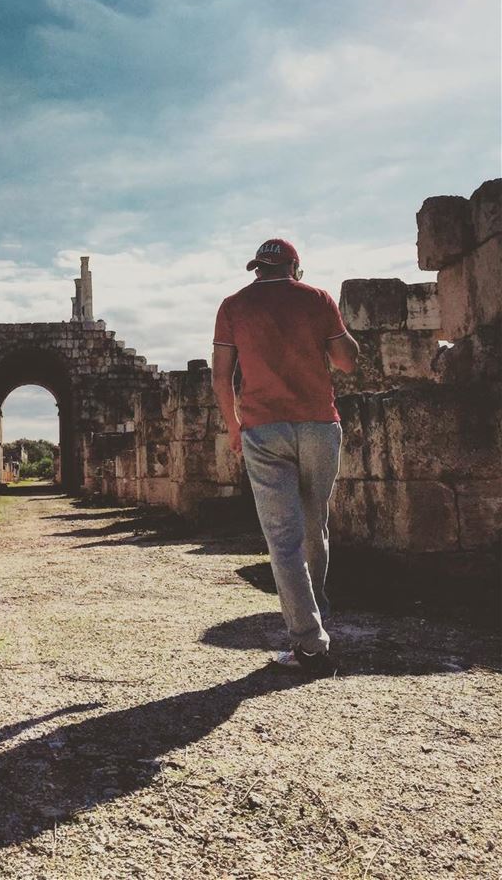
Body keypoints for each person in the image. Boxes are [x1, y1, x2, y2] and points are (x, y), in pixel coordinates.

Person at [211, 238, 359, 678]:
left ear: (257, 269)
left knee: (283, 537)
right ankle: (317, 613)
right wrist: (332, 328)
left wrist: (234, 427)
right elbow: (347, 362)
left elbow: (221, 376)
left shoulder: (233, 306)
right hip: (318, 423)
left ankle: (309, 643)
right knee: (315, 523)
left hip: (263, 428)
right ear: (295, 267)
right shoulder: (316, 298)